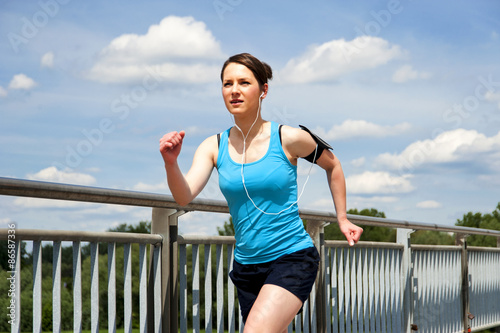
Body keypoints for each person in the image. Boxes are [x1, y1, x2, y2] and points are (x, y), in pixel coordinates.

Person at [159, 53, 363, 333]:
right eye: (227, 83)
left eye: (244, 82)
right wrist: (171, 163)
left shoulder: (288, 138)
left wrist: (342, 218)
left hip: (292, 257)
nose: (234, 90)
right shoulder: (213, 145)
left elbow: (333, 165)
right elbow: (184, 196)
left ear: (263, 89)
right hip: (246, 267)